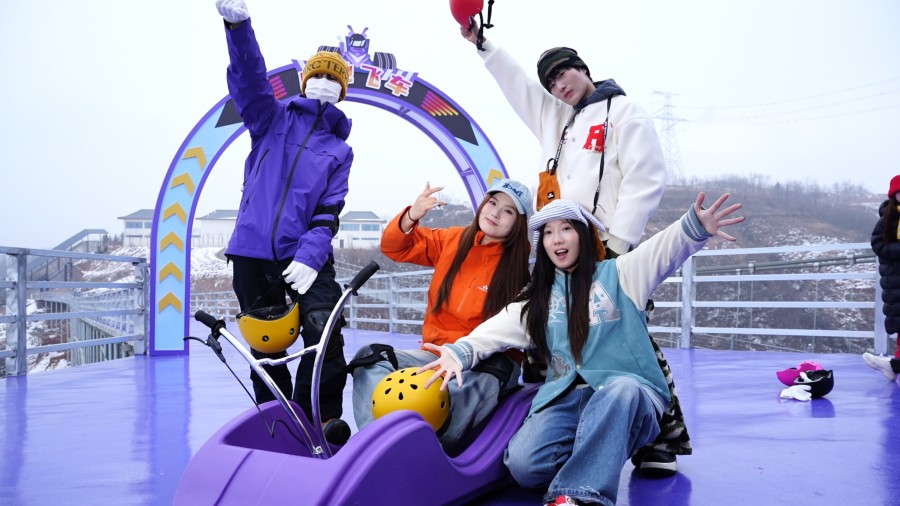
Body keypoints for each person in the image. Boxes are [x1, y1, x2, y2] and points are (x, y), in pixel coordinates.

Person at [458, 22, 688, 474]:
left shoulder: (624, 112)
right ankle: (545, 430)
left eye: (563, 74)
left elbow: (645, 177)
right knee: (545, 333)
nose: (558, 86)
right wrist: (485, 46)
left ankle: (660, 439)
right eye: (551, 83)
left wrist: (618, 244)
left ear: (582, 68)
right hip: (558, 243)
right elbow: (519, 88)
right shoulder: (558, 120)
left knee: (626, 335)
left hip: (605, 246)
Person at [420, 194, 743, 506]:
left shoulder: (622, 274)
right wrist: (459, 352)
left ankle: (578, 497)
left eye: (566, 228)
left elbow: (661, 249)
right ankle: (598, 449)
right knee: (524, 467)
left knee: (622, 390)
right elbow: (497, 329)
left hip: (627, 394)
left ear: (584, 235)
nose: (557, 239)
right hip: (567, 397)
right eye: (548, 232)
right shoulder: (539, 299)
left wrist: (695, 226)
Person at [215, 0, 354, 444]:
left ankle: (321, 417)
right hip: (253, 253)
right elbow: (250, 81)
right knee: (267, 341)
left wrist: (311, 256)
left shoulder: (340, 151)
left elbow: (329, 210)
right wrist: (238, 28)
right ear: (305, 80)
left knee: (324, 328)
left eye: (334, 78)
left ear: (342, 90)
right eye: (319, 75)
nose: (325, 82)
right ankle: (276, 418)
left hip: (307, 256)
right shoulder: (270, 119)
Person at [349, 178, 533, 450]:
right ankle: (379, 442)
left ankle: (432, 451)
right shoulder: (453, 240)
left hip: (485, 363)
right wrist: (412, 215)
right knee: (369, 357)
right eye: (493, 203)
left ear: (519, 223)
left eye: (508, 211)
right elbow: (395, 247)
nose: (495, 213)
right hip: (436, 354)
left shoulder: (523, 264)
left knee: (457, 389)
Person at [862, 175, 900, 381]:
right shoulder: (887, 218)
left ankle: (893, 366)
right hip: (895, 279)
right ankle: (893, 366)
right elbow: (878, 244)